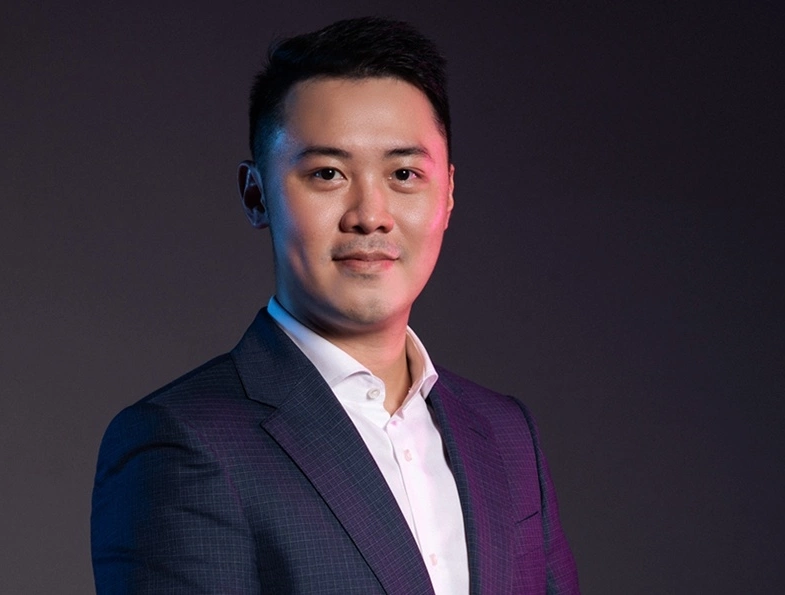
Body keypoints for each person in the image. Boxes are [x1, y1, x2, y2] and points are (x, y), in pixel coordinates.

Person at [91, 16, 579, 594]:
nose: (370, 214)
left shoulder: (505, 433)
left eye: (404, 173)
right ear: (256, 194)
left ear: (448, 193)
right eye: (327, 173)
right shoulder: (181, 441)